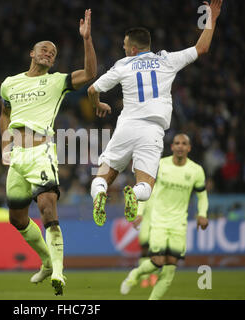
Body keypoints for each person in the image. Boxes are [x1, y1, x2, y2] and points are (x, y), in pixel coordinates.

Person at [87, 0, 222, 226]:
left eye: (124, 46)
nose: (123, 49)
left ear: (132, 49)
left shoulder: (123, 64)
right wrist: (212, 19)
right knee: (146, 186)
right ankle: (134, 193)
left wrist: (97, 104)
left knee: (103, 175)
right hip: (152, 130)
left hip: (126, 126)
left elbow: (93, 89)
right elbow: (202, 48)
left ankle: (100, 194)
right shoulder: (166, 60)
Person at [0, 9, 97, 295]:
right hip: (17, 156)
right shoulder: (10, 83)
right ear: (32, 52)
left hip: (42, 152)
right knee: (16, 219)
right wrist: (6, 147)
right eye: (44, 48)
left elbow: (91, 73)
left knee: (46, 207)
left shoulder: (57, 81)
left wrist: (87, 39)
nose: (49, 53)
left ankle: (58, 272)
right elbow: (4, 114)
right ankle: (45, 260)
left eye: (53, 52)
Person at [120, 133, 209, 300]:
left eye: (184, 143)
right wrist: (139, 213)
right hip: (159, 222)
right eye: (177, 143)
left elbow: (202, 196)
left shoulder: (196, 171)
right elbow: (146, 190)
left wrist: (202, 214)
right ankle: (135, 274)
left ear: (188, 148)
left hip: (179, 225)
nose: (180, 146)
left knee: (169, 270)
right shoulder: (160, 165)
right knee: (158, 261)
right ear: (172, 147)